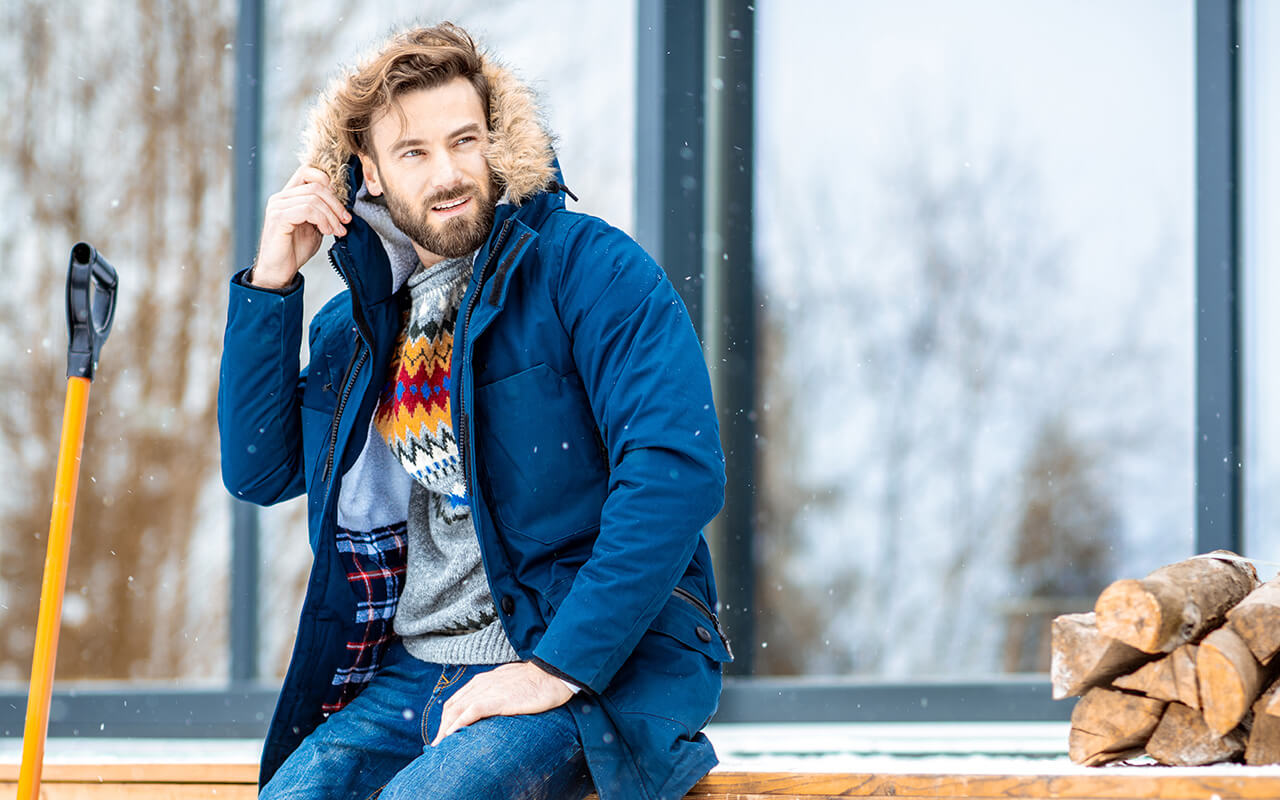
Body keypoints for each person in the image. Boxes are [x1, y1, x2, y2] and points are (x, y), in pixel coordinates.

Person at [217, 22, 731, 800]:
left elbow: (676, 469)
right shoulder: (356, 330)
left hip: (580, 667)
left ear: (496, 139)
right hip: (408, 676)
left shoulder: (588, 270)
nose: (450, 171)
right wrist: (271, 281)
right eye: (415, 152)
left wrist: (555, 667)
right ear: (372, 175)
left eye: (465, 140)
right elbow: (260, 469)